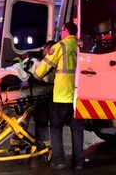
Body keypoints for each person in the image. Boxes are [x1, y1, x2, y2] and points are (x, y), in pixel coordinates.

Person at [33, 22, 84, 170]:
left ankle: (59, 160)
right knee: (77, 129)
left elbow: (45, 65)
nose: (61, 33)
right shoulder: (82, 47)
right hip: (78, 96)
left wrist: (34, 77)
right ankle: (78, 162)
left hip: (62, 95)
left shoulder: (60, 46)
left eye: (62, 31)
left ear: (66, 31)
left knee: (55, 128)